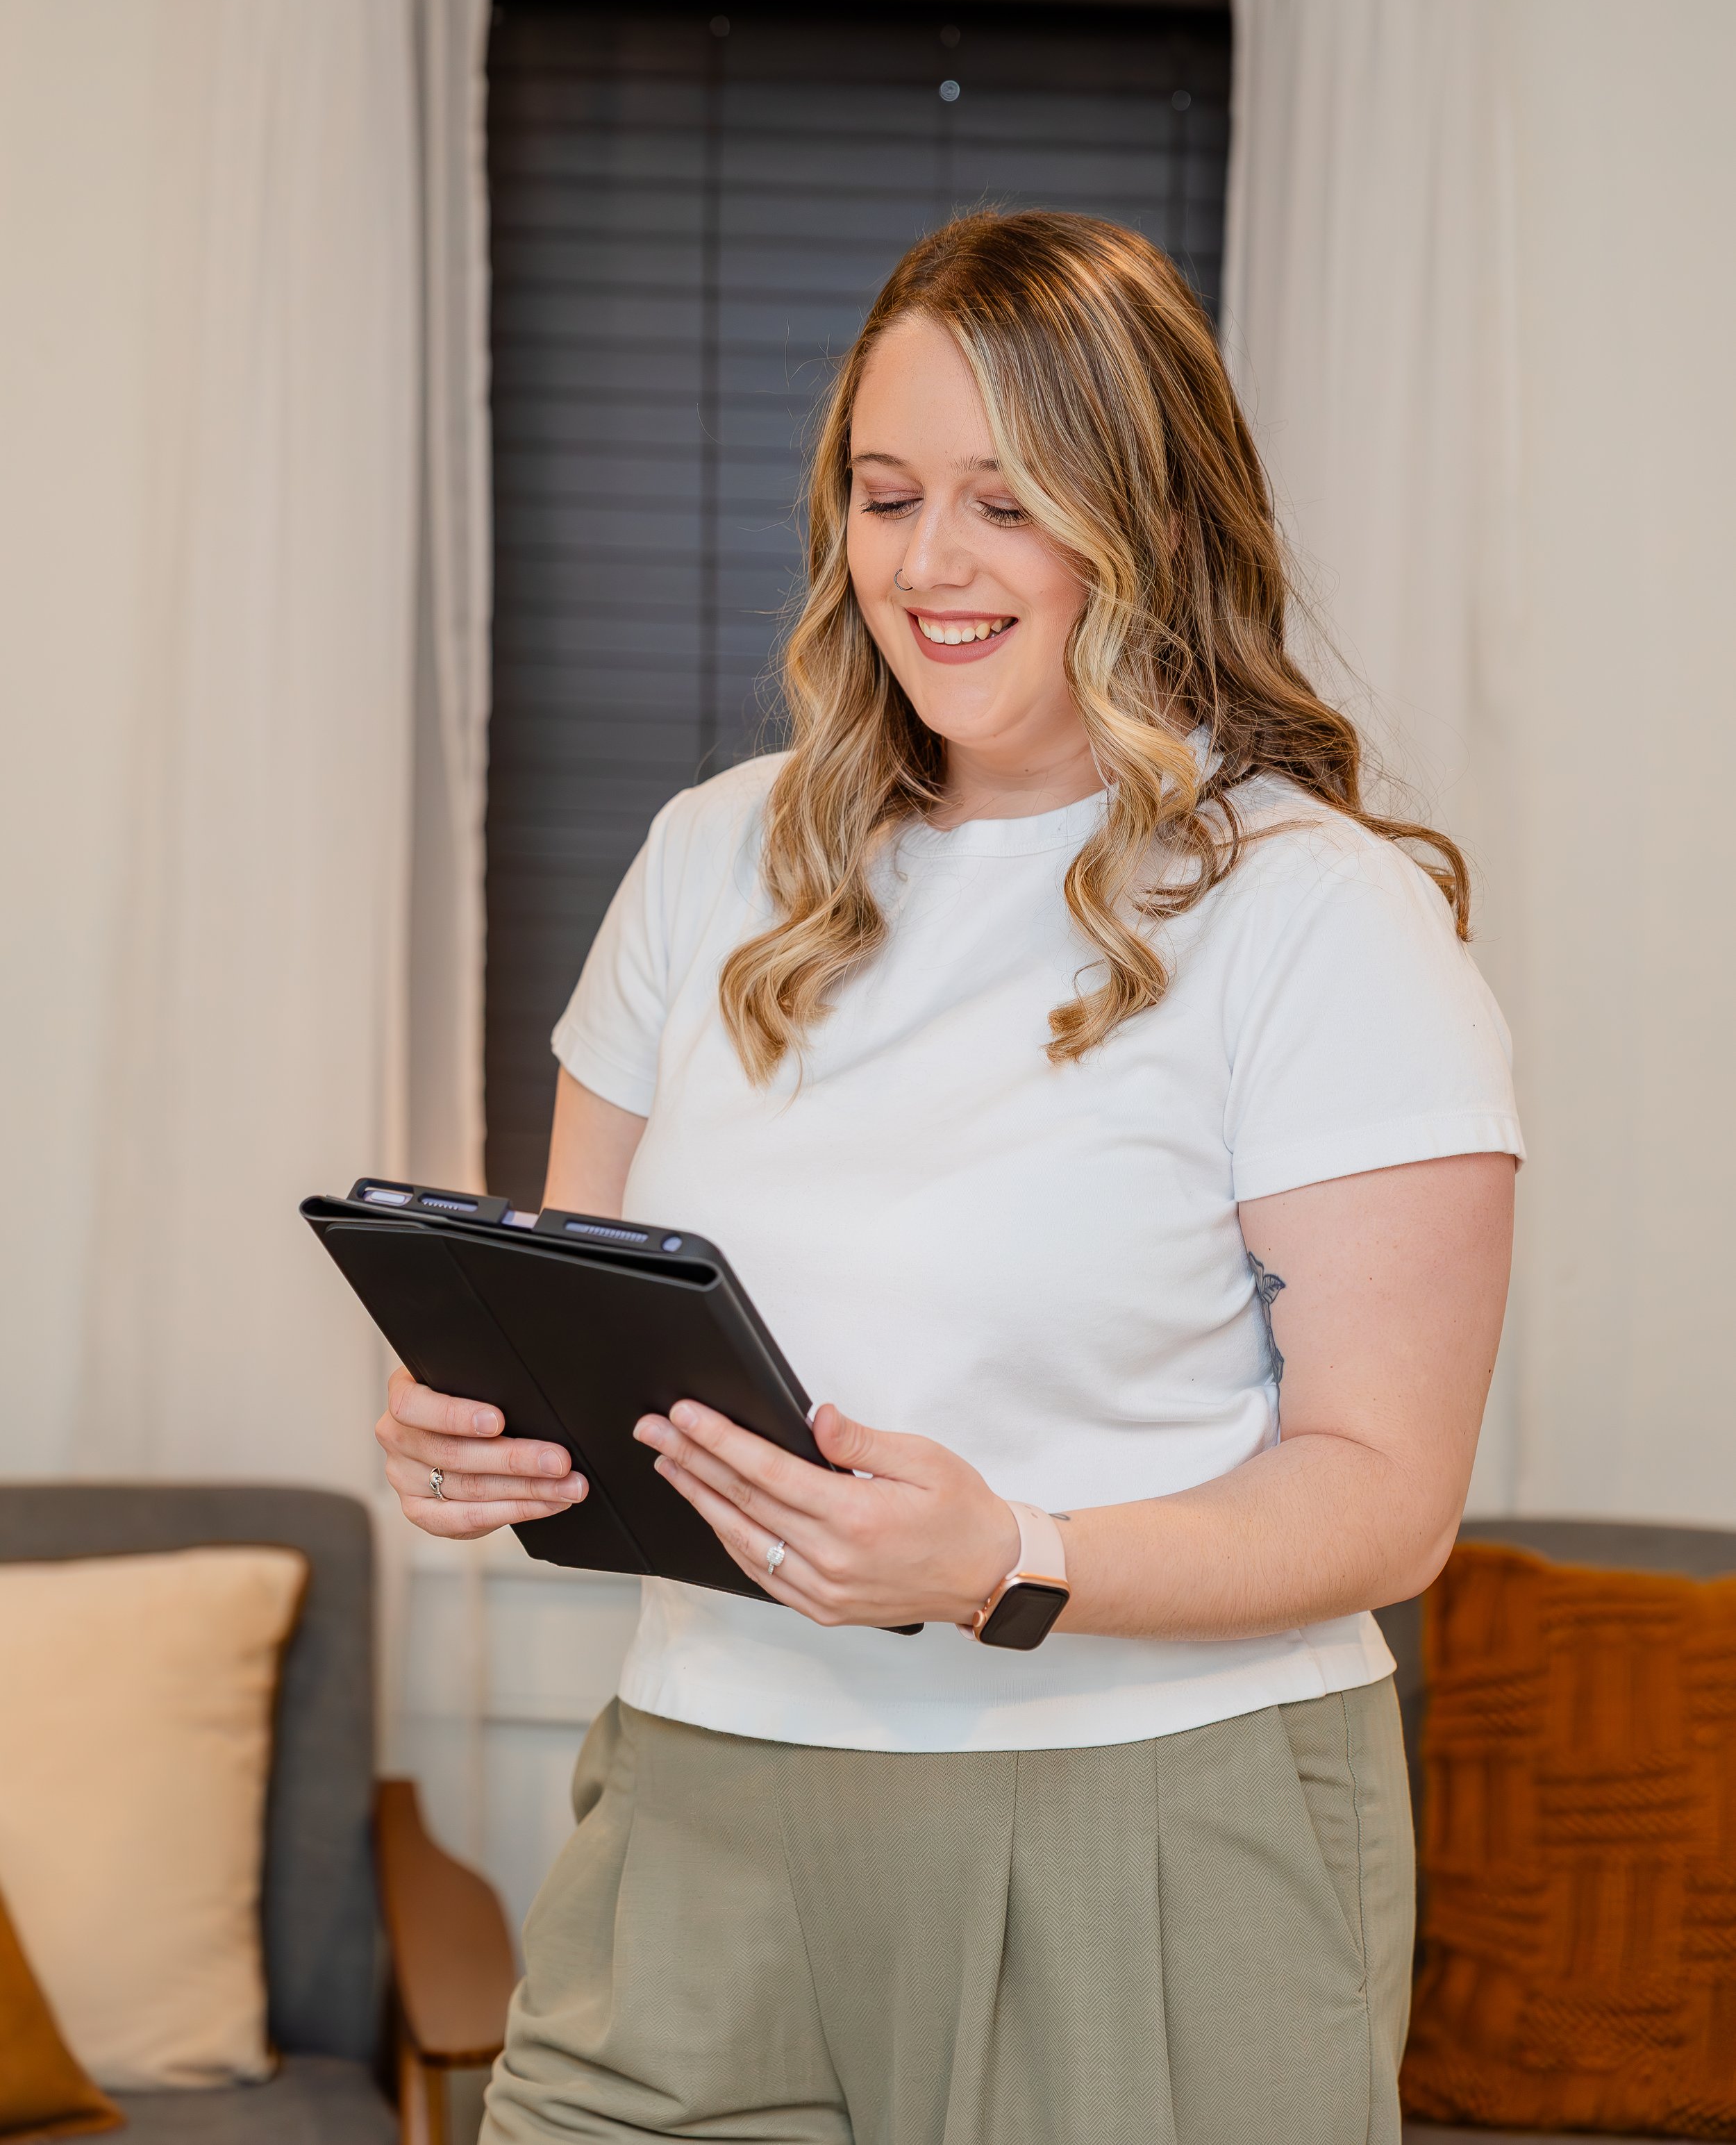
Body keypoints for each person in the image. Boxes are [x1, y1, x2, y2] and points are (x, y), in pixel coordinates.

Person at [376, 210, 1521, 2145]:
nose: (926, 566)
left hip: (1153, 1814)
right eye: (884, 495)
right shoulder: (708, 859)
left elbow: (1383, 1503)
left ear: (1144, 521)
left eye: (1007, 501)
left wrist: (1010, 1560)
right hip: (702, 1793)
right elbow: (585, 1309)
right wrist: (482, 1436)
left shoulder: (1320, 916)